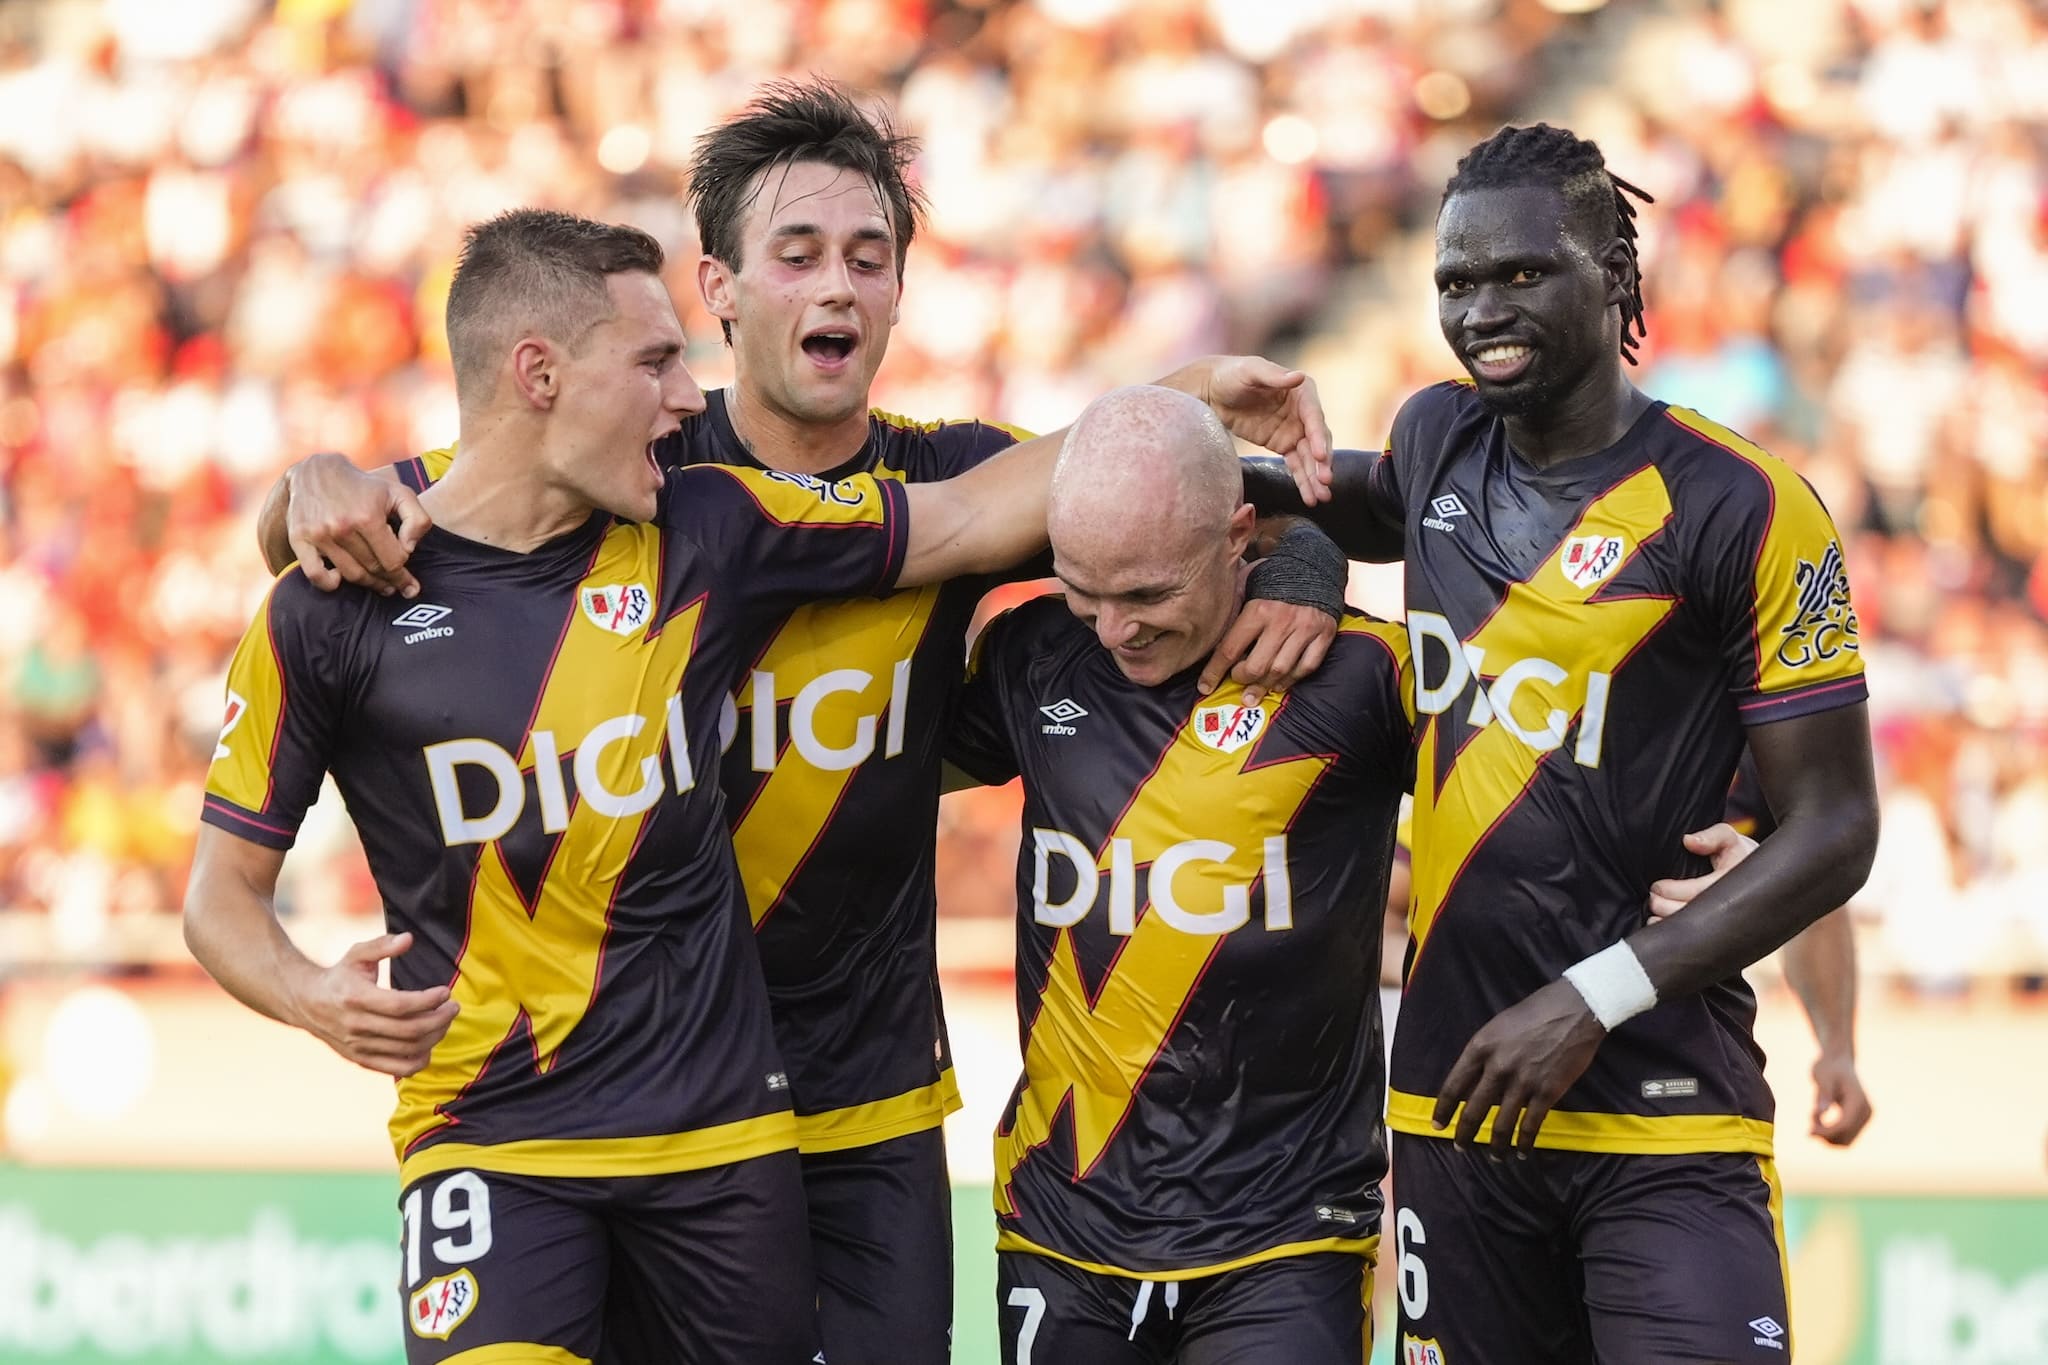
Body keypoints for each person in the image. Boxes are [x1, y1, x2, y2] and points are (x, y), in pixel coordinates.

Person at [254, 83, 1343, 1363]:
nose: (837, 285)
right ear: (716, 287)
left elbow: (1197, 504)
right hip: (631, 1099)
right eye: (798, 254)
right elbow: (400, 517)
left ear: (900, 293)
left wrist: (1303, 558)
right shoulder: (634, 467)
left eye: (868, 259)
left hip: (865, 1105)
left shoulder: (961, 478)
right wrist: (302, 490)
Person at [1248, 123, 1881, 1362]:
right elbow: (1315, 500)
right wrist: (1301, 558)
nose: (1480, 309)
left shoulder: (1742, 504)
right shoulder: (1436, 440)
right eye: (1454, 281)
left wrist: (1594, 999)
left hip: (1667, 1113)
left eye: (1521, 273)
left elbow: (1836, 827)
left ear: (1615, 276)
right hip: (1454, 1109)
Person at [944, 386, 1413, 1363]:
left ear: (1238, 534)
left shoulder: (1362, 674)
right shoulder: (1031, 654)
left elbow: (1537, 798)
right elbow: (868, 777)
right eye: (1086, 592)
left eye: (1148, 596)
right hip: (1060, 1226)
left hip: (1285, 1235)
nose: (1114, 628)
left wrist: (1713, 844)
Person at [1662, 752, 1873, 1147]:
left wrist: (1837, 1050)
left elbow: (1815, 893)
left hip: (1693, 1065)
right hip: (1557, 1031)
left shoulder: (1765, 743)